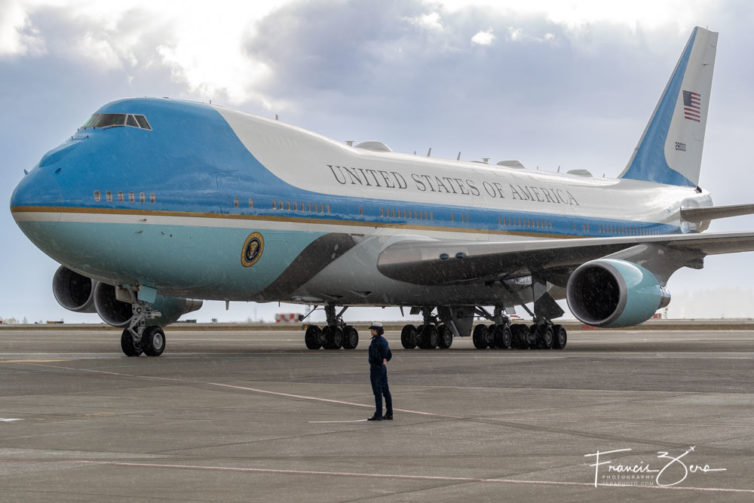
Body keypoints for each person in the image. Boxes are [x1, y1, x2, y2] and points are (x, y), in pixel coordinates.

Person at [367, 322, 393, 421]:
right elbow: (389, 354)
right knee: (385, 390)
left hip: (376, 368)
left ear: (376, 330)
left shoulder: (375, 342)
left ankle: (378, 414)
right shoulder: (384, 341)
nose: (371, 331)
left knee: (377, 391)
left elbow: (374, 355)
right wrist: (385, 360)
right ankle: (389, 413)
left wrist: (379, 361)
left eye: (372, 329)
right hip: (383, 368)